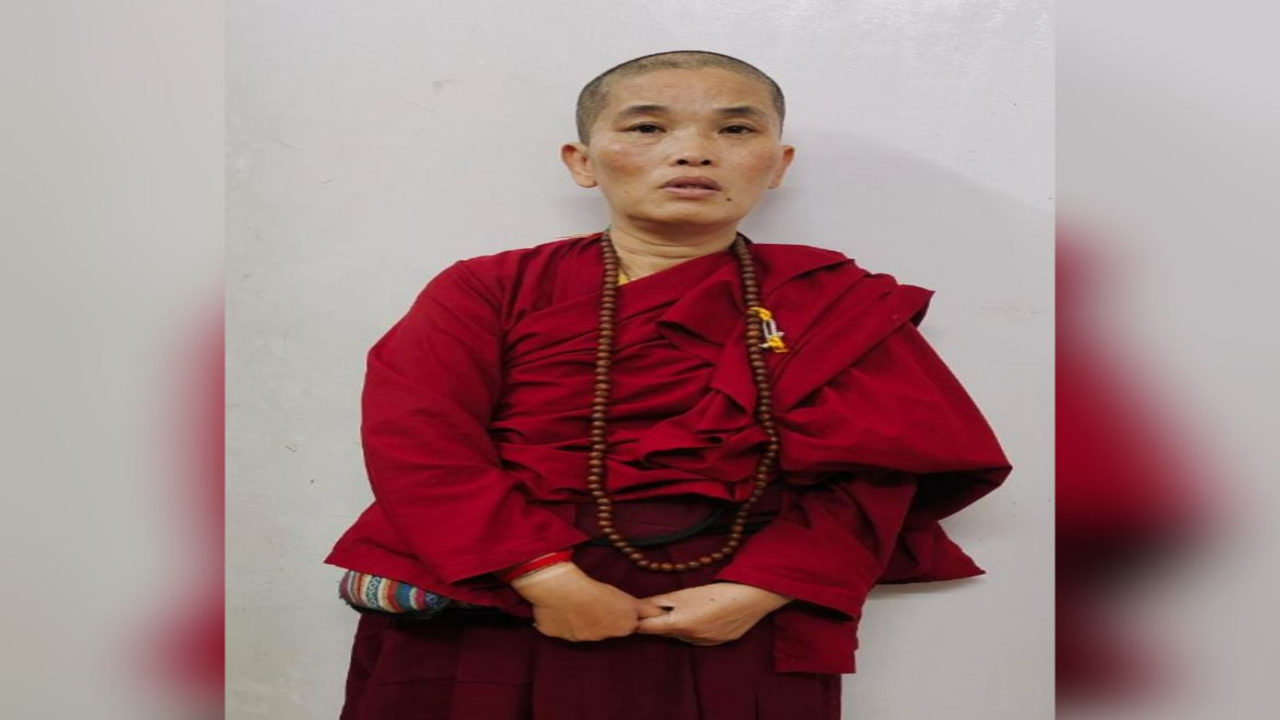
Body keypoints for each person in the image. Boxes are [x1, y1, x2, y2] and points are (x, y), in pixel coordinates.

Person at [324, 50, 1012, 720]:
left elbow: (881, 473)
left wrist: (760, 588)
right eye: (647, 127)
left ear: (779, 165)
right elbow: (419, 442)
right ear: (582, 162)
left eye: (736, 128)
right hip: (491, 599)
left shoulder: (827, 302)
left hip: (730, 613)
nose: (694, 151)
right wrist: (544, 577)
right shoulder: (488, 289)